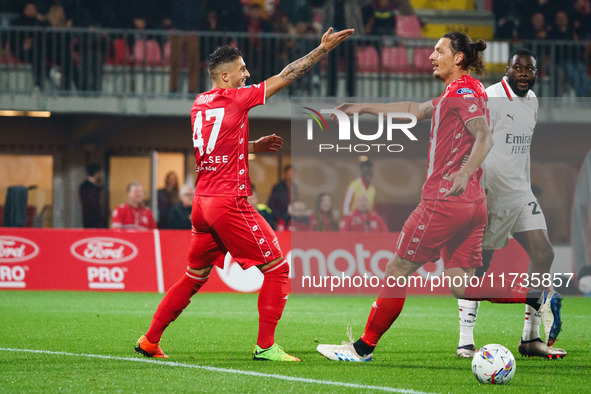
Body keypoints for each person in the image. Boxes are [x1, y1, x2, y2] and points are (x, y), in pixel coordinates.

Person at [316, 31, 562, 362]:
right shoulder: (464, 91)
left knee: (398, 268)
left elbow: (484, 138)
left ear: (458, 58)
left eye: (438, 50)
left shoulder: (462, 92)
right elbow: (414, 110)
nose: (430, 56)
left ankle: (362, 349)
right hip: (474, 205)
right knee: (463, 285)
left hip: (445, 202)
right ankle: (538, 297)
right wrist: (362, 107)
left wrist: (462, 173)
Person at [134, 26, 355, 361]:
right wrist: (322, 50)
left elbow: (212, 149)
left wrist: (251, 146)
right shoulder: (236, 97)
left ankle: (150, 340)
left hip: (202, 203)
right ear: (225, 77)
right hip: (228, 202)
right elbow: (288, 75)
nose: (247, 75)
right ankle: (266, 346)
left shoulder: (198, 103)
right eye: (241, 70)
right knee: (278, 269)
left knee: (194, 276)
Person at [456, 49, 567, 359]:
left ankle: (530, 338)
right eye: (517, 67)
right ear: (507, 69)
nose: (522, 73)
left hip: (520, 194)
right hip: (490, 192)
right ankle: (465, 339)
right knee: (480, 265)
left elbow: (521, 149)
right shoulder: (491, 97)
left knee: (544, 252)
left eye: (528, 69)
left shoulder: (532, 102)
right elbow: (470, 136)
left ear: (536, 73)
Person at [79, 163, 108, 228]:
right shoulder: (88, 186)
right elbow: (94, 203)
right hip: (93, 220)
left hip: (91, 219)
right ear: (96, 173)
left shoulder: (85, 185)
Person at [267, 165, 295, 229]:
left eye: (293, 174)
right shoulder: (278, 187)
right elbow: (271, 203)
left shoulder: (295, 187)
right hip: (280, 218)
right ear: (285, 174)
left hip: (292, 218)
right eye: (289, 174)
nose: (291, 176)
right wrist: (277, 217)